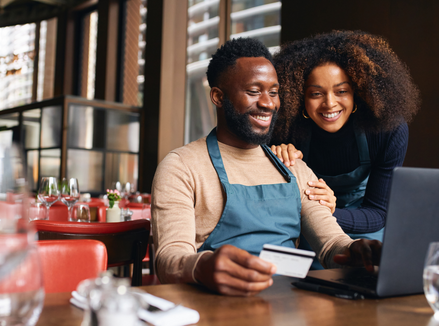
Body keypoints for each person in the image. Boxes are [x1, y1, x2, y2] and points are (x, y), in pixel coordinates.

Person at [151, 37, 381, 296]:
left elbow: (331, 245)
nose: (268, 103)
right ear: (218, 97)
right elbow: (168, 259)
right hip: (213, 308)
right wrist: (203, 265)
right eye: (253, 91)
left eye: (273, 92)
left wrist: (357, 251)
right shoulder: (182, 167)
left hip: (289, 309)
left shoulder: (292, 166)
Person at [270, 31, 420, 259]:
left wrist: (330, 210)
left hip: (367, 228)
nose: (330, 103)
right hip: (310, 228)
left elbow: (378, 212)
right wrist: (277, 158)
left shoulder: (387, 130)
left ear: (357, 93)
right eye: (316, 93)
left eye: (341, 91)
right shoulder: (285, 130)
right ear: (299, 97)